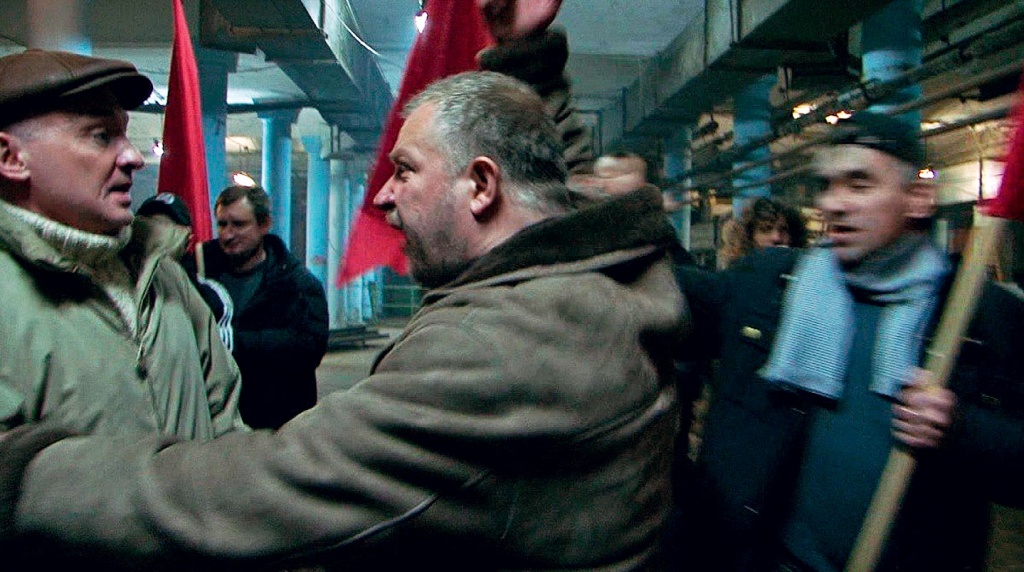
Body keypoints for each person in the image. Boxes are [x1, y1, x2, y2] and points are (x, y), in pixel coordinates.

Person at [0, 63, 687, 572]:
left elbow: (272, 487)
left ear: (481, 185)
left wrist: (29, 475)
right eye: (99, 136)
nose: (383, 196)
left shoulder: (499, 344)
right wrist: (529, 62)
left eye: (405, 170)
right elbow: (548, 188)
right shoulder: (595, 273)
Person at [673, 111, 1024, 571]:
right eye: (827, 185)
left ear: (918, 199)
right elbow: (665, 293)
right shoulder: (770, 286)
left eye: (859, 184)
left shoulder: (980, 314)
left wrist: (963, 429)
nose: (833, 204)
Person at [0, 48, 244, 440]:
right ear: (11, 158)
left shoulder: (162, 276)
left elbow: (225, 423)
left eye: (125, 134)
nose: (132, 156)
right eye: (101, 136)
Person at [182, 184, 329, 430]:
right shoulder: (197, 274)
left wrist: (237, 343)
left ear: (264, 225)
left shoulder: (297, 285)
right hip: (213, 424)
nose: (227, 235)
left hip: (276, 425)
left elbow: (309, 347)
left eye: (239, 225)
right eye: (222, 224)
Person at [136, 192, 235, 351]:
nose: (158, 235)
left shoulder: (208, 296)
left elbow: (218, 356)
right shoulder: (116, 283)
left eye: (168, 228)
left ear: (187, 240)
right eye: (150, 225)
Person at [717, 196, 808, 269]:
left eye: (784, 230)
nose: (776, 237)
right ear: (749, 235)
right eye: (766, 229)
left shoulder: (804, 274)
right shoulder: (736, 276)